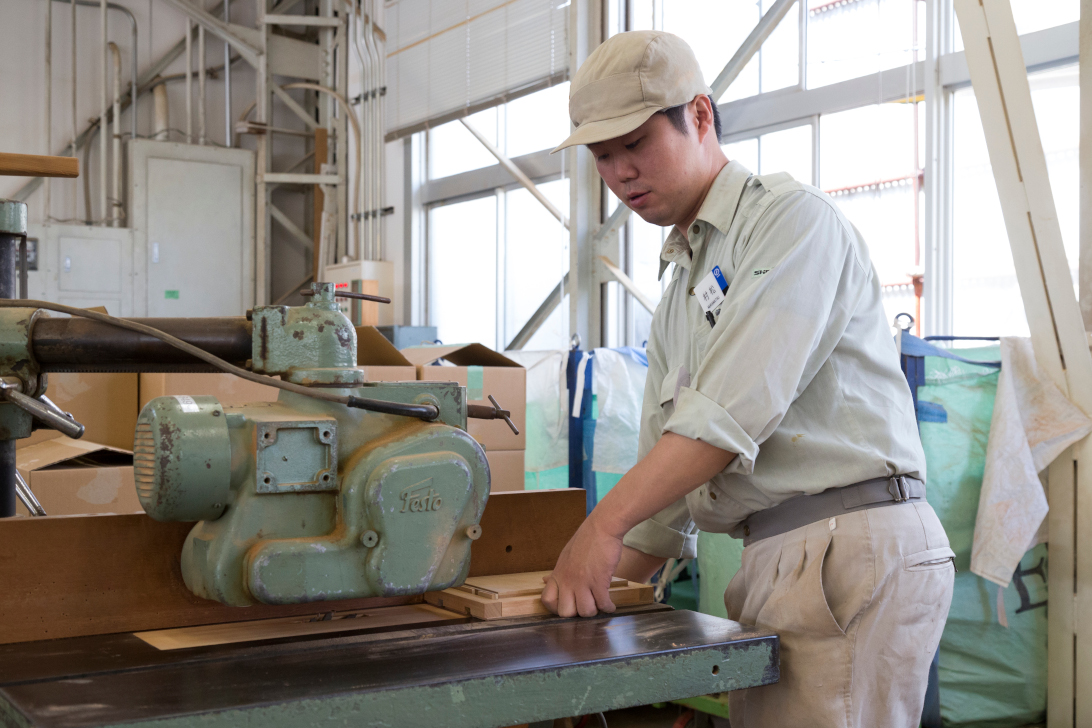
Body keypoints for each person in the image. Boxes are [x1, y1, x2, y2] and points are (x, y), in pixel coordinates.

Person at [542, 30, 955, 727]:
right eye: (602, 156)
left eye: (636, 144)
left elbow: (730, 413)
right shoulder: (681, 287)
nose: (620, 173)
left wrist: (600, 528)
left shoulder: (792, 224)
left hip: (847, 543)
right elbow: (666, 494)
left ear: (699, 116)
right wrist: (577, 608)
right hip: (778, 553)